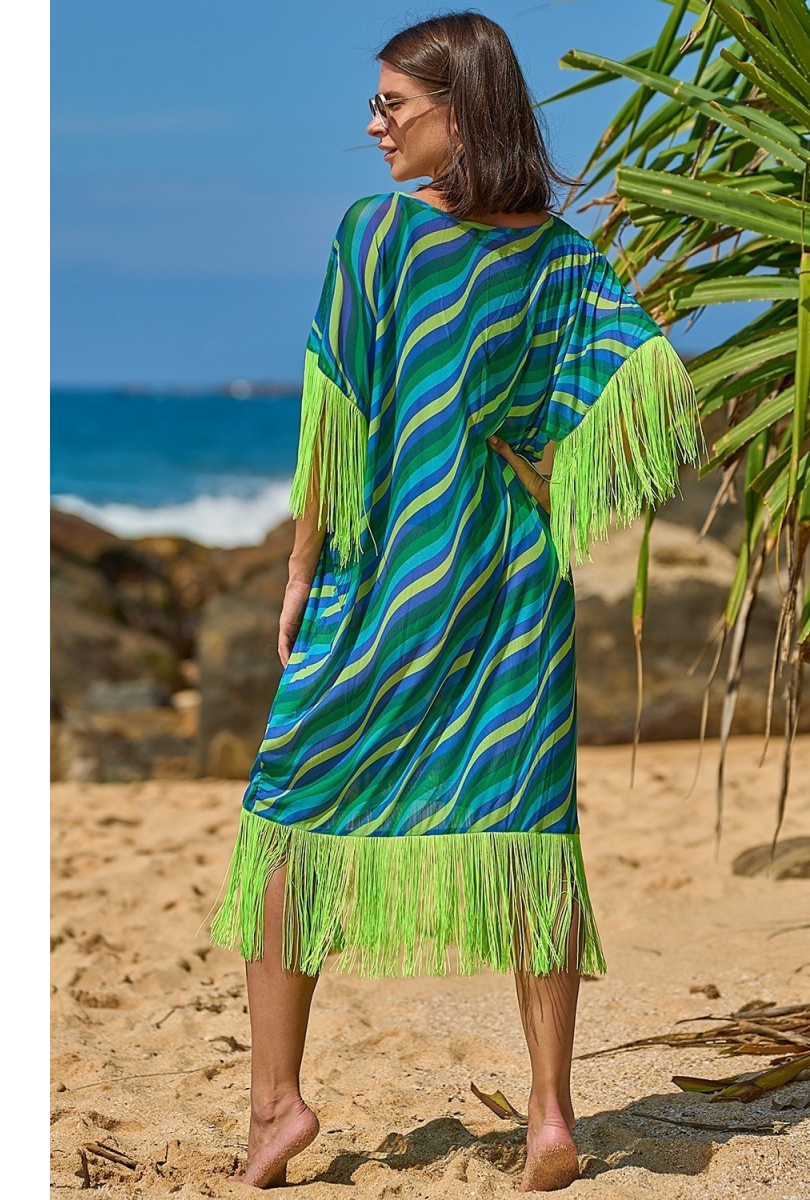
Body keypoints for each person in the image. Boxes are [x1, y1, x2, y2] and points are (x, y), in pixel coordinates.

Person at [207, 10, 703, 1192]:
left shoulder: (379, 236)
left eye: (393, 106)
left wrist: (299, 566)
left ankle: (276, 1105)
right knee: (531, 832)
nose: (373, 127)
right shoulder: (559, 259)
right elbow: (650, 379)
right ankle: (551, 1117)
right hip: (512, 584)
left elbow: (334, 413)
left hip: (391, 581)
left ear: (461, 113)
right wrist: (546, 466)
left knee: (288, 810)